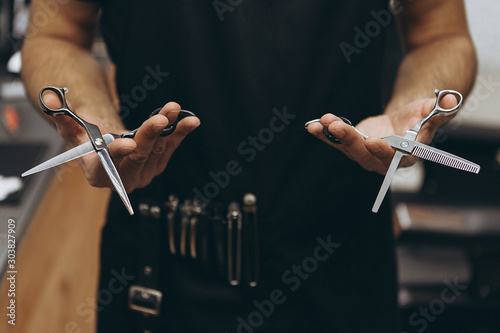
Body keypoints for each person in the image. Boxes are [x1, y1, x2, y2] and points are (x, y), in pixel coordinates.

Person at [21, 0, 477, 332]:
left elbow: (440, 35)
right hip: (158, 270)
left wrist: (419, 109)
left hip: (339, 260)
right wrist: (88, 123)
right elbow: (57, 32)